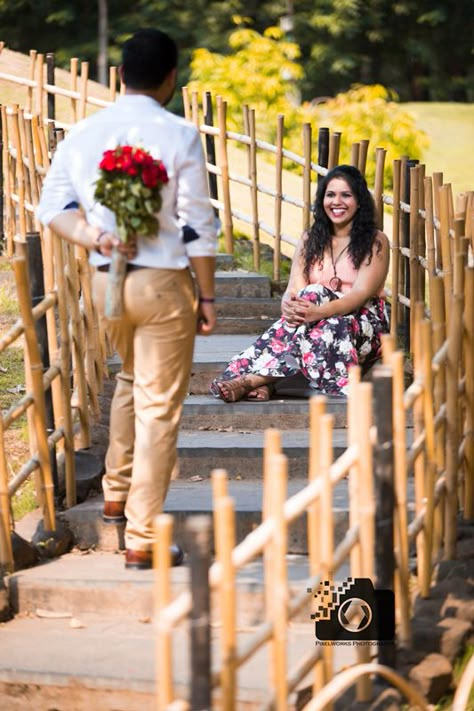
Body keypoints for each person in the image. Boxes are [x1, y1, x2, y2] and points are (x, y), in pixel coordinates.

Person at [37, 28, 217, 569]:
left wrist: (99, 236)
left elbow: (52, 209)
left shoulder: (83, 133)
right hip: (162, 284)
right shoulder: (180, 134)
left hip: (105, 280)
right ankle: (142, 536)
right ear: (171, 77)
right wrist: (206, 294)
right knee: (160, 407)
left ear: (118, 75)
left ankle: (116, 490)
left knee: (130, 377)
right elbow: (200, 227)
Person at [210, 164, 389, 402]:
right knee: (316, 308)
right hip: (316, 322)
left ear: (359, 201)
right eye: (330, 194)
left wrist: (317, 311)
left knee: (319, 302)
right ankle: (269, 385)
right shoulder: (310, 239)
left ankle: (253, 380)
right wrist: (288, 304)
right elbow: (294, 286)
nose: (337, 201)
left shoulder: (376, 242)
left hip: (361, 325)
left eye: (346, 195)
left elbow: (360, 294)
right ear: (322, 200)